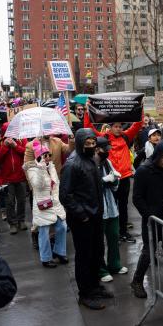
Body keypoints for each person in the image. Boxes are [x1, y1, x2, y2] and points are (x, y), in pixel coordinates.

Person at [59, 128, 112, 310]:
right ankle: (85, 293)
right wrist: (81, 214)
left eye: (93, 143)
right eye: (87, 143)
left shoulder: (91, 159)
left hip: (95, 215)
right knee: (84, 256)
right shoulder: (72, 164)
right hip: (83, 219)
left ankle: (95, 286)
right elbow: (65, 195)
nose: (91, 146)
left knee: (97, 252)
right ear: (81, 143)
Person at [130, 140, 163, 299]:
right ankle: (137, 281)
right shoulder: (144, 171)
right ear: (157, 156)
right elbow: (137, 198)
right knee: (148, 252)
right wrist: (148, 215)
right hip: (151, 220)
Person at [86, 114, 143, 243]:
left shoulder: (125, 136)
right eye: (116, 126)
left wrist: (141, 108)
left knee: (123, 206)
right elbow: (89, 128)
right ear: (110, 128)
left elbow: (138, 124)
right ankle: (113, 233)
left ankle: (123, 232)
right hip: (111, 178)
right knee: (112, 206)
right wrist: (87, 113)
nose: (118, 128)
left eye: (120, 126)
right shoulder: (104, 138)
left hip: (125, 177)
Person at [24, 141, 68, 268]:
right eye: (45, 155)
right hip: (43, 205)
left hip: (55, 203)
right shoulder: (32, 168)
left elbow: (56, 183)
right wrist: (41, 170)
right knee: (44, 231)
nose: (48, 157)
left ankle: (59, 252)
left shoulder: (52, 166)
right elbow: (37, 185)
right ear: (39, 156)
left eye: (49, 155)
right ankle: (46, 258)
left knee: (62, 226)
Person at [96, 137, 128, 283]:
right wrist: (103, 181)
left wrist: (114, 180)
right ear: (97, 149)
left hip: (111, 207)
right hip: (99, 209)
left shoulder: (107, 163)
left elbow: (114, 184)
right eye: (105, 149)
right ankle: (101, 270)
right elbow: (91, 186)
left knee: (114, 236)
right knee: (98, 241)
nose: (108, 152)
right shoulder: (91, 164)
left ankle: (114, 264)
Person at [0, 123, 28, 234]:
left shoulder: (22, 139)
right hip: (6, 178)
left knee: (22, 200)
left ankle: (21, 220)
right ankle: (12, 223)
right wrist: (5, 147)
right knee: (9, 202)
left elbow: (27, 153)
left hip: (20, 176)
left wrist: (15, 146)